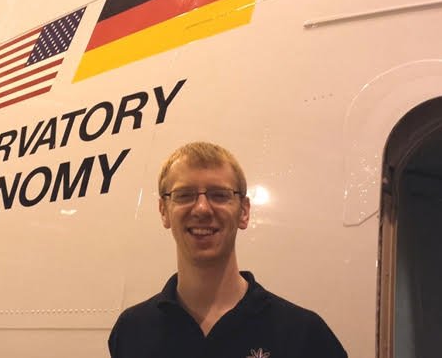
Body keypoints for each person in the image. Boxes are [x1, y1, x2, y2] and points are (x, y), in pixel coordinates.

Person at [108, 141, 347, 358]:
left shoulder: (304, 335)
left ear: (244, 211)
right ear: (164, 211)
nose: (202, 208)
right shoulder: (131, 331)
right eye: (184, 195)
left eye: (219, 195)